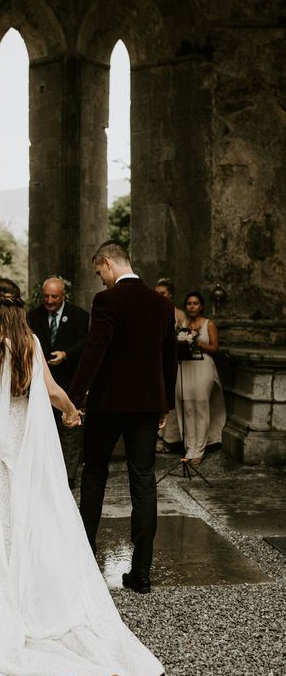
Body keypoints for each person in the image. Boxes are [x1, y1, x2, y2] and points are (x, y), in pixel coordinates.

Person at [0, 278, 164, 676]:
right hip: (19, 442)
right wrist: (73, 411)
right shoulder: (30, 342)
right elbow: (53, 391)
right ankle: (27, 588)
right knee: (23, 512)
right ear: (20, 306)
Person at [69, 242, 177, 595]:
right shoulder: (162, 304)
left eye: (99, 273)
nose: (101, 280)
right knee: (143, 481)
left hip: (108, 405)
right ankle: (141, 571)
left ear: (107, 263)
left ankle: (83, 558)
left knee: (95, 473)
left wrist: (73, 398)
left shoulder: (107, 301)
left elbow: (95, 349)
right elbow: (168, 359)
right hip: (147, 405)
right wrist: (164, 405)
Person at [27, 277, 89, 488]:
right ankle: (46, 474)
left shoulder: (79, 315)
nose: (50, 300)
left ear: (63, 295)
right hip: (41, 382)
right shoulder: (33, 317)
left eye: (54, 296)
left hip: (69, 380)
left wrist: (66, 354)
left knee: (70, 428)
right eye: (46, 296)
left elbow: (85, 342)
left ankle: (68, 477)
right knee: (43, 428)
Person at [176, 291, 226, 465]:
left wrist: (197, 342)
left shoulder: (208, 324)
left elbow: (215, 348)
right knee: (187, 406)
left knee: (201, 406)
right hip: (186, 366)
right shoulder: (182, 323)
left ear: (201, 306)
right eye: (189, 303)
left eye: (195, 303)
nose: (192, 306)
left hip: (204, 366)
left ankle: (200, 449)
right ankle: (189, 447)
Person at [154, 278, 185, 450]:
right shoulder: (153, 311)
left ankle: (174, 437)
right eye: (157, 293)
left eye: (163, 293)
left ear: (170, 294)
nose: (159, 296)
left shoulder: (179, 314)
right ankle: (162, 435)